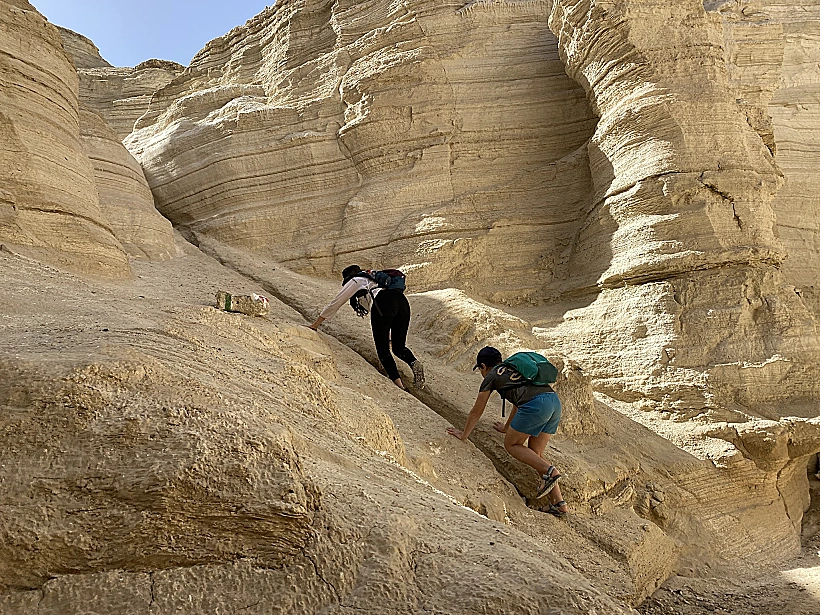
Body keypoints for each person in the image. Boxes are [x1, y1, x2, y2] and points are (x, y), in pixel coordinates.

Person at [447, 346, 568, 517]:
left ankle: (550, 472)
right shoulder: (515, 369)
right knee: (535, 454)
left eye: (480, 369)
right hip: (553, 402)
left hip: (536, 405)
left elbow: (477, 410)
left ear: (483, 366)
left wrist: (463, 434)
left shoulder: (491, 376)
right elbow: (518, 403)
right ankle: (559, 503)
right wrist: (505, 427)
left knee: (512, 445)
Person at [308, 265, 425, 390]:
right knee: (399, 347)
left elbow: (336, 302)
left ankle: (399, 386)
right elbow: (386, 315)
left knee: (383, 350)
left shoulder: (355, 280)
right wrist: (389, 336)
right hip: (402, 302)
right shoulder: (375, 280)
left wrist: (315, 325)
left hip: (383, 302)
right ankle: (414, 362)